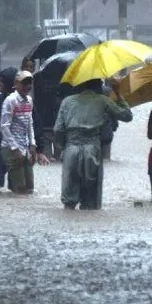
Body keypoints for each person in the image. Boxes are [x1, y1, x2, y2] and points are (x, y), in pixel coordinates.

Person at [54, 78, 133, 210]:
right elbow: (127, 116)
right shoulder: (103, 100)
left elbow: (58, 129)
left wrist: (64, 147)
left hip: (71, 150)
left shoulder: (67, 101)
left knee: (69, 202)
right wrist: (118, 93)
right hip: (93, 151)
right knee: (91, 204)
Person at [0, 70, 47, 194]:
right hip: (11, 148)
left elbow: (29, 123)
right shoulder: (10, 101)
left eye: (30, 83)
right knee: (20, 189)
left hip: (25, 148)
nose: (28, 86)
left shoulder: (29, 101)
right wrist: (15, 149)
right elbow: (4, 127)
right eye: (24, 83)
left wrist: (33, 145)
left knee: (30, 188)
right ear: (16, 83)